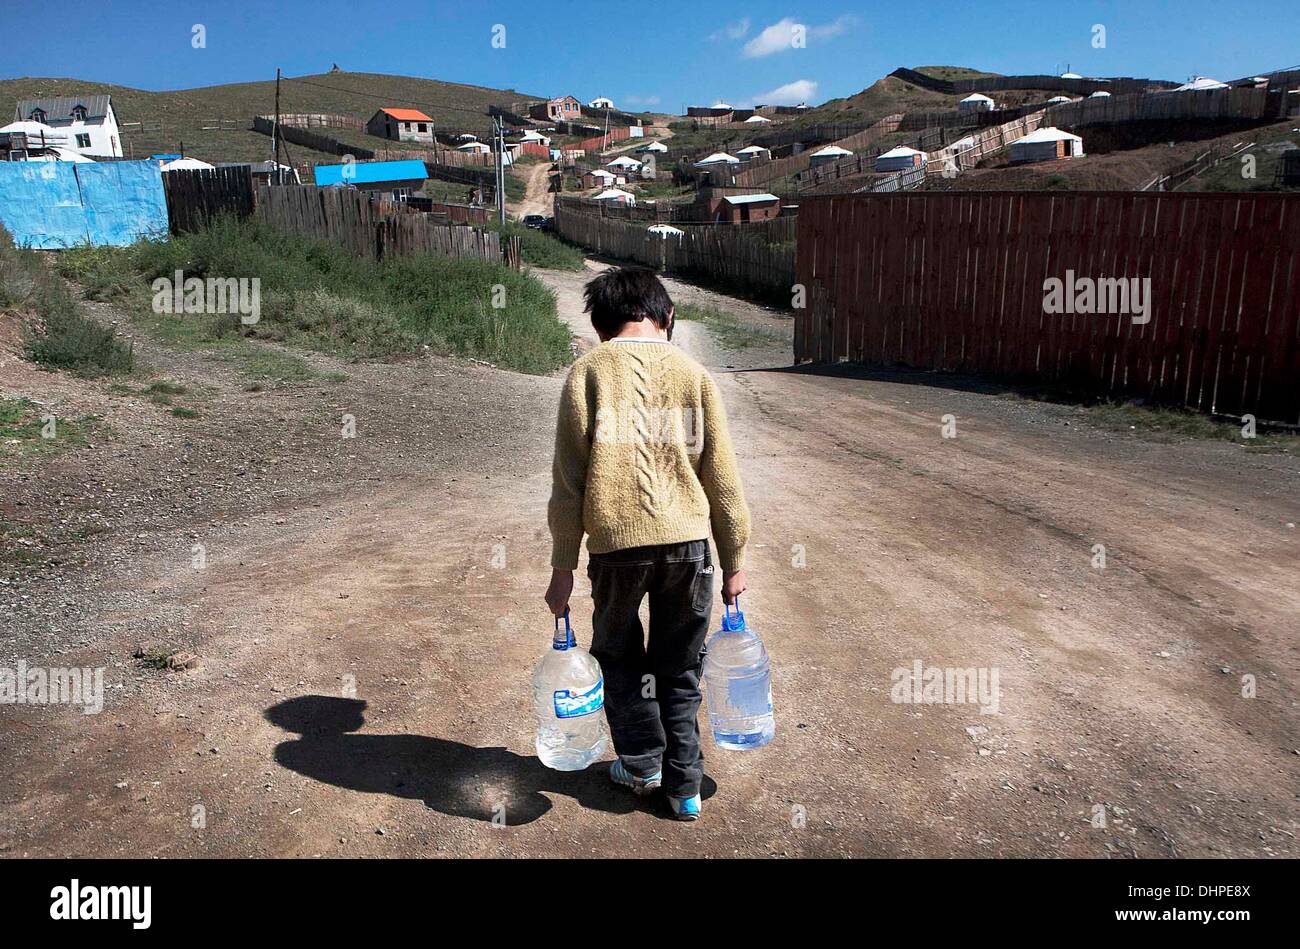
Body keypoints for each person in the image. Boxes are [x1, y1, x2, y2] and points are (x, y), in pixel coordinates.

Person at [544, 266, 750, 821]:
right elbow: (723, 481)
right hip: (687, 545)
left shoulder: (587, 372)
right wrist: (733, 562)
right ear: (668, 318)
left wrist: (562, 567)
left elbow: (569, 484)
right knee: (679, 665)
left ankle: (641, 764)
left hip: (615, 548)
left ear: (601, 325)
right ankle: (685, 787)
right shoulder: (694, 374)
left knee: (618, 656)